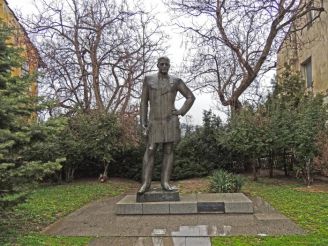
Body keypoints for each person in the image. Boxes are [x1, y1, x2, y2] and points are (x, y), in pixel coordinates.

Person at [138, 56, 195, 194]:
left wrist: (181, 111)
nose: (164, 66)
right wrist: (143, 123)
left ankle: (165, 183)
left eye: (167, 64)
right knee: (150, 149)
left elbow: (190, 97)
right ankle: (145, 183)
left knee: (168, 151)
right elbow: (143, 103)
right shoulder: (149, 79)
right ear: (157, 65)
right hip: (154, 121)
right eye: (162, 64)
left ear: (169, 66)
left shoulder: (175, 81)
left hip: (170, 120)